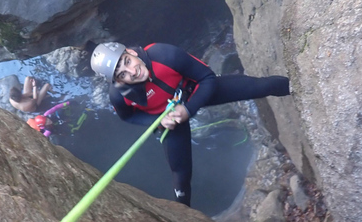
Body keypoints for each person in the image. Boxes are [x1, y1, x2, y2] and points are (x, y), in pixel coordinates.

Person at [90, 41, 290, 207]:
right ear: (117, 81)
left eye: (127, 61)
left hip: (195, 91)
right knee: (181, 174)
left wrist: (188, 109)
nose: (131, 72)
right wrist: (157, 120)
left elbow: (207, 78)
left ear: (132, 52)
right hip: (169, 119)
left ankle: (296, 86)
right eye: (122, 74)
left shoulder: (163, 55)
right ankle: (185, 214)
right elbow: (128, 117)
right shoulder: (118, 96)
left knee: (260, 86)